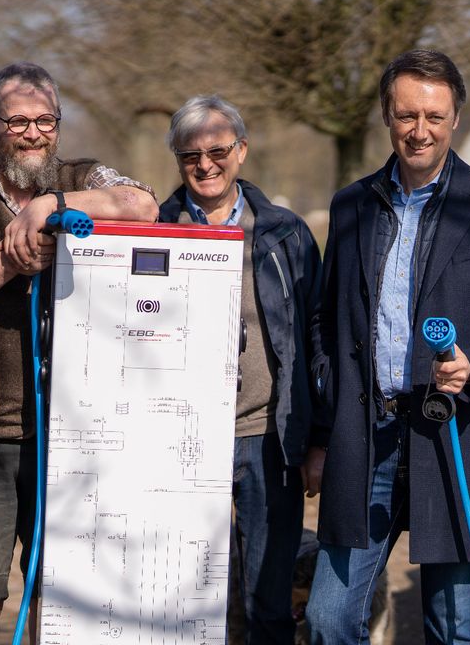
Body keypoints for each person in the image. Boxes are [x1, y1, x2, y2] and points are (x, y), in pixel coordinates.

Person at [0, 61, 158, 644]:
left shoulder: (83, 175)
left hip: (68, 437)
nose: (34, 132)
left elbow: (143, 205)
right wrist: (8, 260)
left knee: (63, 605)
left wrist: (48, 206)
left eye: (46, 119)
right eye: (18, 121)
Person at [306, 49, 470, 644]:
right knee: (328, 618)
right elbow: (324, 317)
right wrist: (330, 390)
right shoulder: (352, 205)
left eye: (434, 116)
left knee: (454, 628)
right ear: (386, 115)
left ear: (455, 120)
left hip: (454, 437)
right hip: (365, 438)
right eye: (406, 115)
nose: (419, 130)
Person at [158, 95, 326, 644]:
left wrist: (317, 438)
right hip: (180, 443)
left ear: (242, 151)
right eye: (190, 155)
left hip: (265, 440)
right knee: (182, 601)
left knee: (268, 602)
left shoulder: (286, 235)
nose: (205, 165)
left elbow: (315, 337)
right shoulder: (153, 229)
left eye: (218, 150)